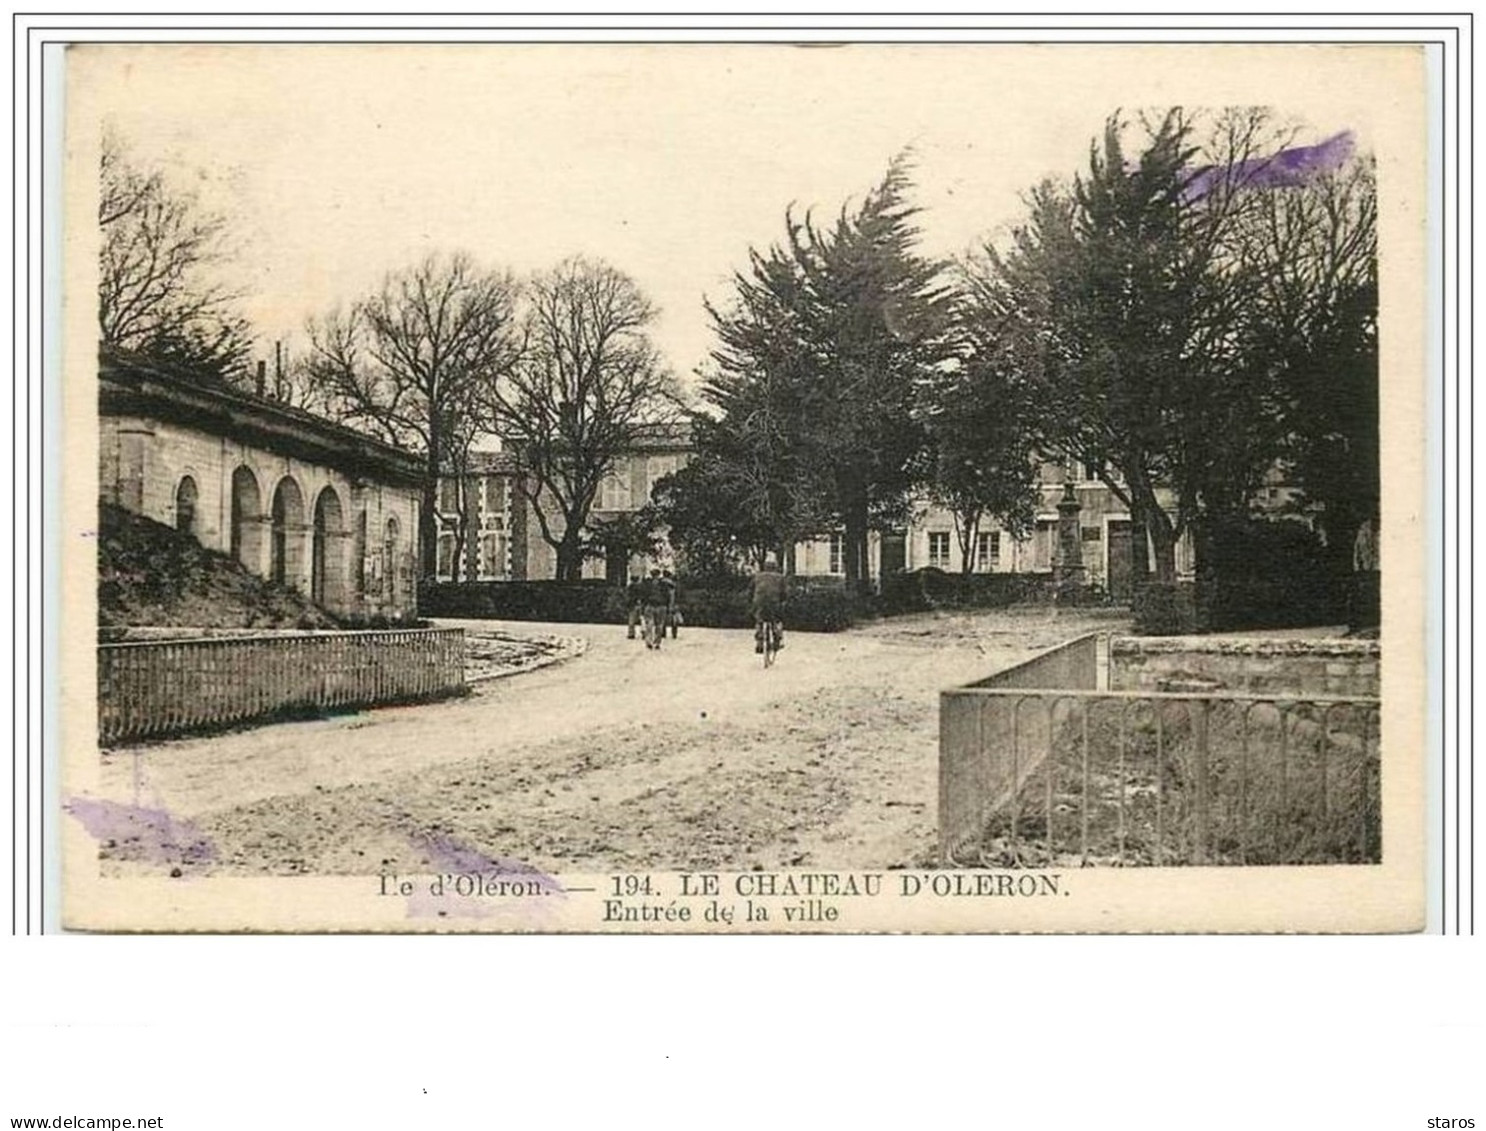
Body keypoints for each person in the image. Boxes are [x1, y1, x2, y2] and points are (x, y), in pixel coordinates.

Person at [750, 557, 787, 654]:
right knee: (777, 619)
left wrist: (751, 602)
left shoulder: (757, 576)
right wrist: (783, 601)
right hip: (774, 603)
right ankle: (777, 639)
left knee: (759, 620)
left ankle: (759, 642)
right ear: (775, 567)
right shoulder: (780, 577)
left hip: (759, 602)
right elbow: (783, 593)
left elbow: (751, 590)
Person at [642, 568, 669, 650]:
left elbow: (643, 596)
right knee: (659, 625)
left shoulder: (647, 584)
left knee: (649, 625)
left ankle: (649, 641)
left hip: (650, 605)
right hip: (661, 606)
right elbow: (667, 595)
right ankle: (657, 643)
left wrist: (643, 605)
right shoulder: (664, 584)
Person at [660, 568, 680, 639]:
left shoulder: (661, 583)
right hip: (673, 603)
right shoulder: (673, 584)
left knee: (663, 619)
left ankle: (663, 633)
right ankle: (674, 633)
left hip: (664, 603)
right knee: (674, 619)